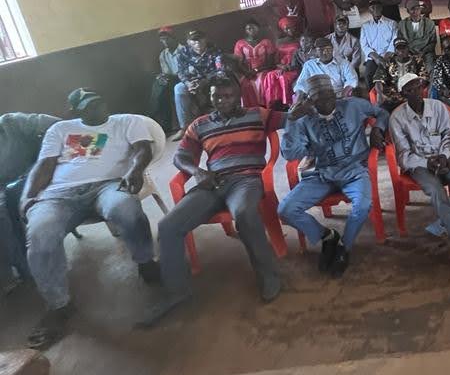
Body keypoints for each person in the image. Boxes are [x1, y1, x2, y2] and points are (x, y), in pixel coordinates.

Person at [142, 76, 284, 327]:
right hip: (211, 182)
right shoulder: (200, 124)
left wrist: (304, 107)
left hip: (246, 180)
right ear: (209, 97)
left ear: (238, 95)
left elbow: (288, 118)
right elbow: (181, 157)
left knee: (245, 214)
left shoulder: (257, 115)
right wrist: (197, 172)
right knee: (168, 226)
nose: (222, 101)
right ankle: (177, 291)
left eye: (228, 95)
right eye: (217, 96)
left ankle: (269, 275)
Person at [21, 89, 159, 347]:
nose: (97, 105)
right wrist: (28, 196)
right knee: (41, 234)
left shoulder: (127, 121)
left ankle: (145, 261)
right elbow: (44, 165)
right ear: (75, 110)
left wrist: (134, 170)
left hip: (108, 185)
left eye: (99, 99)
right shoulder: (60, 129)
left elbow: (143, 150)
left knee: (127, 210)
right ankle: (58, 304)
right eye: (88, 103)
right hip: (59, 193)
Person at [278, 75, 388, 277]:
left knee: (363, 205)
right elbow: (290, 154)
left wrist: (377, 129)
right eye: (318, 98)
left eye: (329, 95)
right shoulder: (303, 120)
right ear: (310, 100)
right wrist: (291, 121)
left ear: (335, 94)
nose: (326, 101)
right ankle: (327, 236)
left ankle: (344, 248)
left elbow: (381, 113)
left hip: (354, 170)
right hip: (322, 173)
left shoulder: (353, 106)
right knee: (286, 209)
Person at [389, 73, 450, 281]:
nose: (415, 91)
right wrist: (426, 163)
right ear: (402, 94)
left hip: (443, 156)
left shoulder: (438, 107)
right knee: (435, 190)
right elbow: (404, 155)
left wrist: (443, 156)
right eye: (409, 89)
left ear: (423, 87)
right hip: (419, 164)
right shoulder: (397, 118)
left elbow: (449, 136)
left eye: (418, 86)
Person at [0, 112, 59, 297]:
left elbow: (57, 125)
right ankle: (11, 274)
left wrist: (48, 154)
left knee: (8, 209)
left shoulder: (11, 122)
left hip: (30, 176)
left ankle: (28, 268)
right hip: (4, 187)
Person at [173, 29, 221, 139]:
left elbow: (220, 70)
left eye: (200, 39)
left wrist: (204, 81)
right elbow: (180, 72)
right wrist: (188, 83)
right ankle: (185, 128)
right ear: (188, 42)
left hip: (210, 80)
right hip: (191, 82)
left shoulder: (214, 49)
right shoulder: (183, 52)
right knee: (179, 88)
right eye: (194, 40)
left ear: (205, 39)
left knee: (220, 84)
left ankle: (219, 120)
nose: (197, 43)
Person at [232, 18, 277, 108]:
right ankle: (250, 108)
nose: (251, 30)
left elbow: (271, 62)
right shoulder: (240, 43)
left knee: (261, 80)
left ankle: (265, 106)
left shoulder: (266, 42)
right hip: (247, 71)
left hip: (263, 69)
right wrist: (246, 72)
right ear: (245, 30)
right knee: (245, 83)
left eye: (253, 28)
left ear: (258, 29)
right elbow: (238, 62)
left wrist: (257, 70)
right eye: (249, 28)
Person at [260, 16, 303, 106]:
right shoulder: (279, 42)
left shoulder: (300, 39)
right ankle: (274, 103)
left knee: (283, 78)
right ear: (283, 30)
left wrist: (290, 67)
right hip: (282, 66)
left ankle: (287, 103)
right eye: (287, 29)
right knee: (270, 75)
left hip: (295, 67)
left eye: (291, 27)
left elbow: (302, 56)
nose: (290, 30)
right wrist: (281, 66)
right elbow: (276, 60)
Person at [374, 38, 427, 111]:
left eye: (404, 48)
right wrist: (380, 93)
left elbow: (423, 78)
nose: (401, 51)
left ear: (408, 48)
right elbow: (378, 79)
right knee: (381, 109)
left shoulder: (417, 60)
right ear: (395, 51)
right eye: (398, 49)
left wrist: (414, 90)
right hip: (393, 96)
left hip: (412, 93)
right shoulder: (389, 61)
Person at [149, 26, 180, 132]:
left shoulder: (184, 50)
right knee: (159, 84)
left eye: (167, 38)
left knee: (161, 88)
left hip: (183, 79)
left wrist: (167, 77)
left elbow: (185, 71)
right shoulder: (163, 54)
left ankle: (152, 116)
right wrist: (161, 77)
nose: (165, 41)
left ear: (174, 38)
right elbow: (166, 72)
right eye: (162, 39)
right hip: (170, 80)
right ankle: (164, 124)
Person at [360, 0, 397, 85]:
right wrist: (376, 58)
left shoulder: (391, 23)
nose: (375, 10)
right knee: (369, 75)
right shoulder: (365, 26)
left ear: (381, 8)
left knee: (391, 75)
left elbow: (394, 42)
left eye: (378, 8)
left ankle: (390, 95)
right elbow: (364, 45)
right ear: (369, 10)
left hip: (388, 56)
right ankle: (372, 97)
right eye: (373, 8)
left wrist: (384, 58)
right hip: (373, 57)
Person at [397, 0, 437, 73]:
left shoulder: (429, 23)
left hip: (425, 52)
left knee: (431, 69)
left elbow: (433, 42)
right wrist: (408, 53)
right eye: (412, 9)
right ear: (408, 11)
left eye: (417, 8)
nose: (415, 11)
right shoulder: (402, 24)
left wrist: (422, 52)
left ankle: (431, 84)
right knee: (407, 70)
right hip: (408, 52)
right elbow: (400, 43)